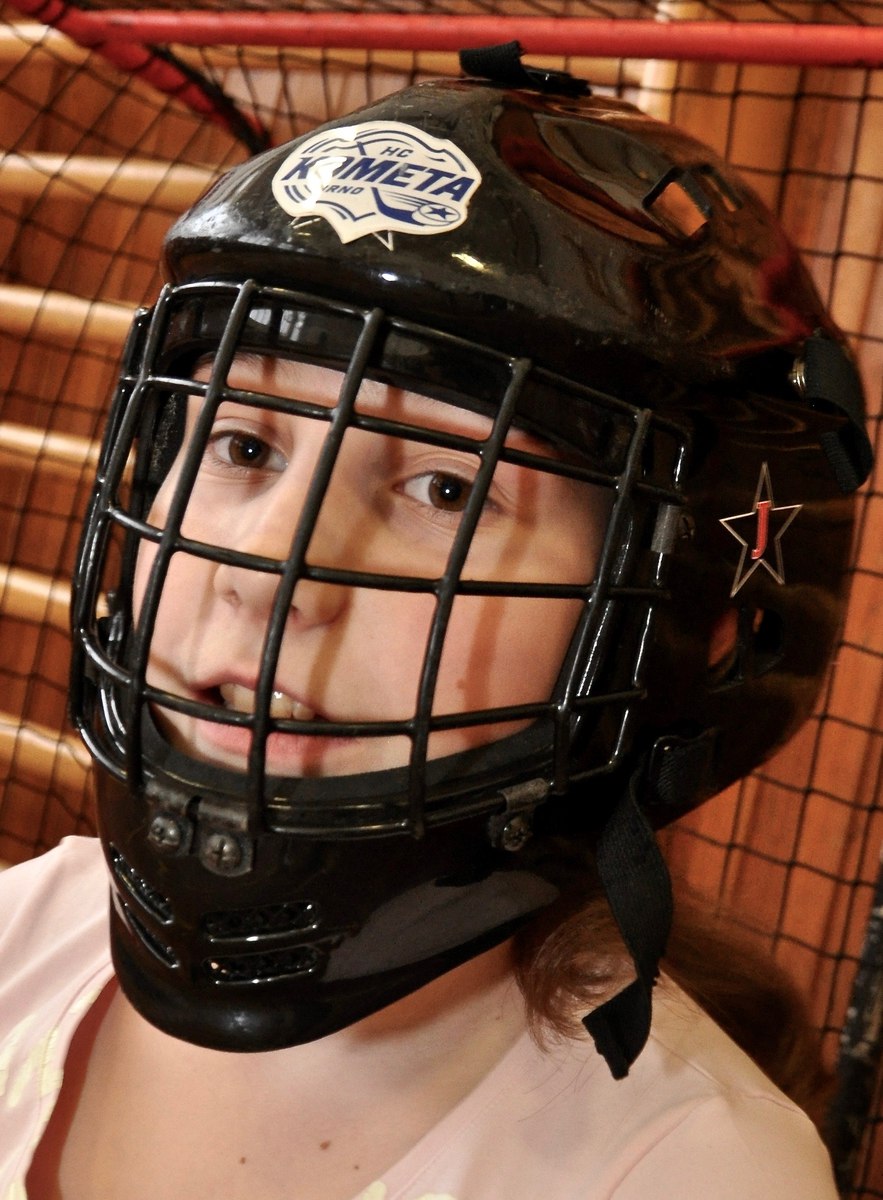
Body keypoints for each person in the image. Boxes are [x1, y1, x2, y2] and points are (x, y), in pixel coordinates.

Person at [1, 41, 874, 1200]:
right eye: (243, 445)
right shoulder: (24, 928)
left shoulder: (692, 1175)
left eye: (449, 490)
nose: (266, 572)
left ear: (681, 626)